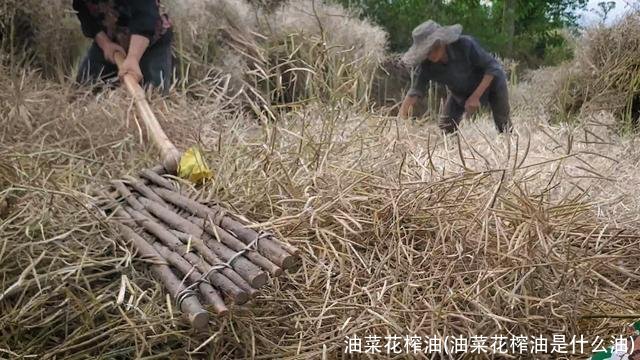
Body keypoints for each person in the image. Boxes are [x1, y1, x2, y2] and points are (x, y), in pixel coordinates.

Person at [399, 20, 511, 134]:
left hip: (491, 84)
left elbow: (493, 67)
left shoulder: (465, 45)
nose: (430, 54)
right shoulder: (426, 65)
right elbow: (415, 91)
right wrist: (400, 122)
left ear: (443, 42)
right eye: (426, 51)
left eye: (434, 48)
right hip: (460, 92)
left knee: (503, 125)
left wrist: (475, 96)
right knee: (445, 129)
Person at [72, 0, 173, 91]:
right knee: (84, 89)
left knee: (153, 93)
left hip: (150, 41)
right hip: (111, 37)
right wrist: (106, 44)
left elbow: (145, 16)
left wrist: (133, 57)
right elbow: (84, 13)